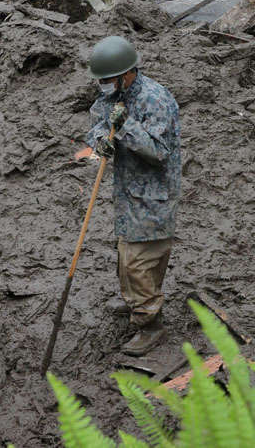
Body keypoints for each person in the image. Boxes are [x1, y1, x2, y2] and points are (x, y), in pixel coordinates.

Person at [87, 36, 180, 356]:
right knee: (127, 251)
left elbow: (159, 151)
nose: (103, 86)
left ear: (127, 73)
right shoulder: (115, 93)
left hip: (153, 194)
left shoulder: (155, 100)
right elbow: (97, 121)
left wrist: (125, 126)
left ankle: (150, 322)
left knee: (140, 259)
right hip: (127, 191)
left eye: (107, 80)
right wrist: (101, 139)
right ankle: (134, 298)